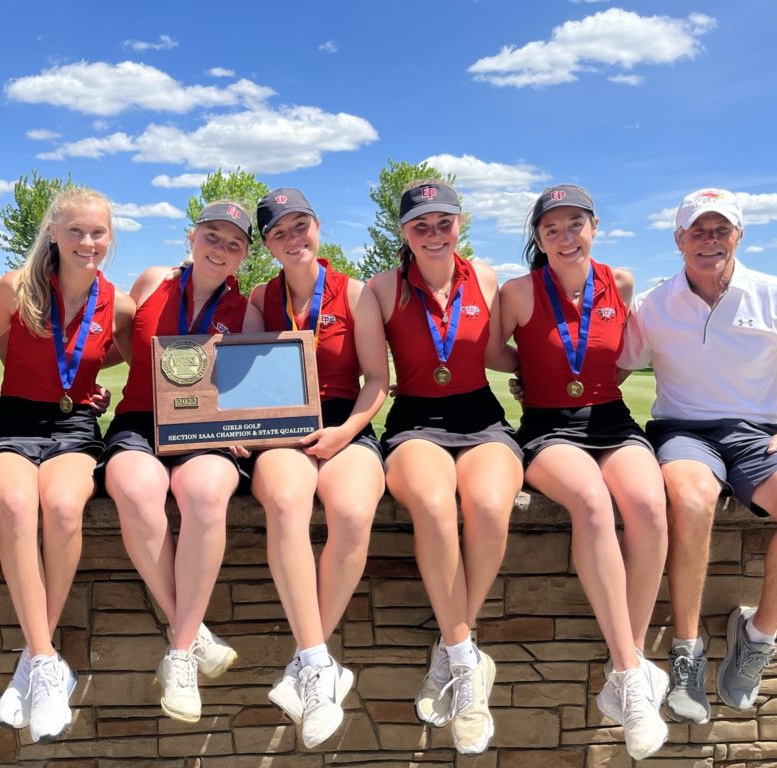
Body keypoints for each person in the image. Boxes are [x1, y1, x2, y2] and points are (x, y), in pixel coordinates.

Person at [618, 188, 777, 725]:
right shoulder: (654, 304)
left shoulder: (776, 295)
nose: (710, 240)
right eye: (698, 230)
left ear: (739, 236)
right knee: (692, 499)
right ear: (679, 239)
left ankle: (758, 637)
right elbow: (617, 370)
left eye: (721, 230)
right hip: (684, 432)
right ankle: (685, 649)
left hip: (758, 436)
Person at [499, 184, 669, 761]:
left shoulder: (619, 283)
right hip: (548, 427)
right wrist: (530, 371)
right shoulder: (518, 292)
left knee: (648, 504)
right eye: (552, 229)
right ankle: (630, 674)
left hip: (611, 420)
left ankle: (629, 668)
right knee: (593, 503)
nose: (565, 237)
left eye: (575, 224)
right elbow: (491, 352)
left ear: (595, 226)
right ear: (538, 240)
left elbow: (622, 356)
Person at [366, 180, 522, 756]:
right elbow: (364, 370)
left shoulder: (485, 277)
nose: (433, 234)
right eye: (419, 225)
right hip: (413, 419)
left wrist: (550, 364)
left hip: (481, 415)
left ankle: (450, 649)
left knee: (485, 505)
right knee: (433, 504)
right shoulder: (381, 288)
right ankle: (468, 668)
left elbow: (494, 352)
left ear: (461, 223)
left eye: (443, 222)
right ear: (402, 233)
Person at [0, 187, 132, 742]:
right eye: (76, 231)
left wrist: (87, 388)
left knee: (63, 506)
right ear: (53, 234)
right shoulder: (18, 289)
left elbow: (150, 367)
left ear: (110, 238)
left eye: (98, 232)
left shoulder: (120, 302)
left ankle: (32, 663)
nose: (88, 242)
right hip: (12, 424)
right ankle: (45, 660)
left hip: (74, 429)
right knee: (18, 503)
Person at [101, 201, 257, 723]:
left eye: (234, 243)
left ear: (244, 256)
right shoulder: (149, 281)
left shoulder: (248, 308)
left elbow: (252, 381)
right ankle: (193, 635)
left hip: (206, 431)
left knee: (206, 493)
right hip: (140, 421)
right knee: (138, 490)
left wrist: (243, 426)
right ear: (192, 238)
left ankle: (178, 656)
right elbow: (110, 345)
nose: (221, 248)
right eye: (212, 235)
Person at [248, 188, 388, 749]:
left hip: (345, 423)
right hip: (281, 427)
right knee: (285, 501)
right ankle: (318, 664)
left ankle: (308, 663)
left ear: (317, 226)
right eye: (279, 232)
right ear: (268, 245)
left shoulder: (356, 293)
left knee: (353, 511)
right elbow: (249, 381)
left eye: (300, 224)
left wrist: (343, 434)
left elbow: (377, 380)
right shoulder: (261, 297)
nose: (293, 237)